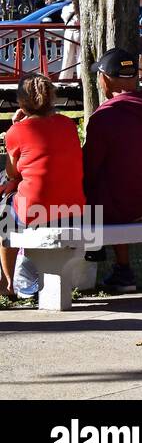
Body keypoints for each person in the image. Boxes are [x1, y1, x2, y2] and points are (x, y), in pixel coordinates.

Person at [82, 48, 142, 293]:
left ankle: (90, 259)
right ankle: (122, 270)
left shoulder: (105, 116)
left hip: (120, 206)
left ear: (106, 78)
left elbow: (89, 167)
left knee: (85, 194)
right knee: (116, 187)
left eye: (98, 75)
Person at [1, 76, 84, 300]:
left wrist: (16, 127)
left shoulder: (16, 132)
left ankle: (8, 285)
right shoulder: (68, 124)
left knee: (3, 220)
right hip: (74, 209)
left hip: (34, 210)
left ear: (21, 101)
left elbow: (12, 173)